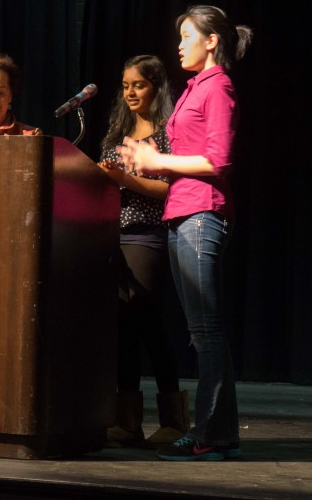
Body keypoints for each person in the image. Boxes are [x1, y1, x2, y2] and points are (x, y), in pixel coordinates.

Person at [117, 5, 253, 461]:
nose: (179, 43)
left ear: (211, 41)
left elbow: (219, 161)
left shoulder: (219, 87)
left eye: (187, 35)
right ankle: (217, 432)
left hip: (202, 215)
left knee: (206, 331)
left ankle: (213, 434)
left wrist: (156, 162)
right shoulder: (197, 88)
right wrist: (143, 158)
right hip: (180, 215)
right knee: (201, 332)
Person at [97, 55, 191, 448]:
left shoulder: (168, 134)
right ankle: (128, 422)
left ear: (155, 86)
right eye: (125, 85)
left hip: (148, 234)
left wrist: (125, 180)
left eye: (138, 84)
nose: (130, 92)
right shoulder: (118, 132)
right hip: (112, 236)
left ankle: (174, 419)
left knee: (147, 319)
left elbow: (171, 189)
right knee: (123, 324)